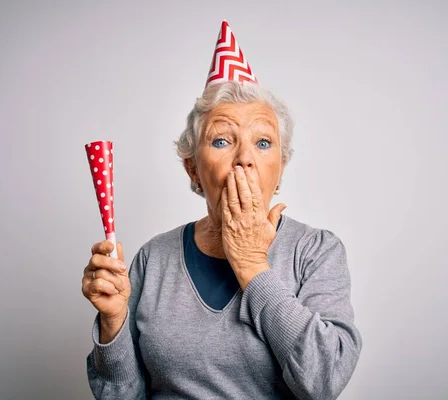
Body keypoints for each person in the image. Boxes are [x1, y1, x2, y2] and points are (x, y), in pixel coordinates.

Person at [82, 21, 362, 399]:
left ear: (280, 167)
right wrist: (113, 323)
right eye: (221, 140)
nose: (245, 158)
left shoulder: (315, 251)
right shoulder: (153, 258)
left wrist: (250, 264)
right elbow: (120, 395)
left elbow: (324, 381)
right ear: (193, 168)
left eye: (263, 142)